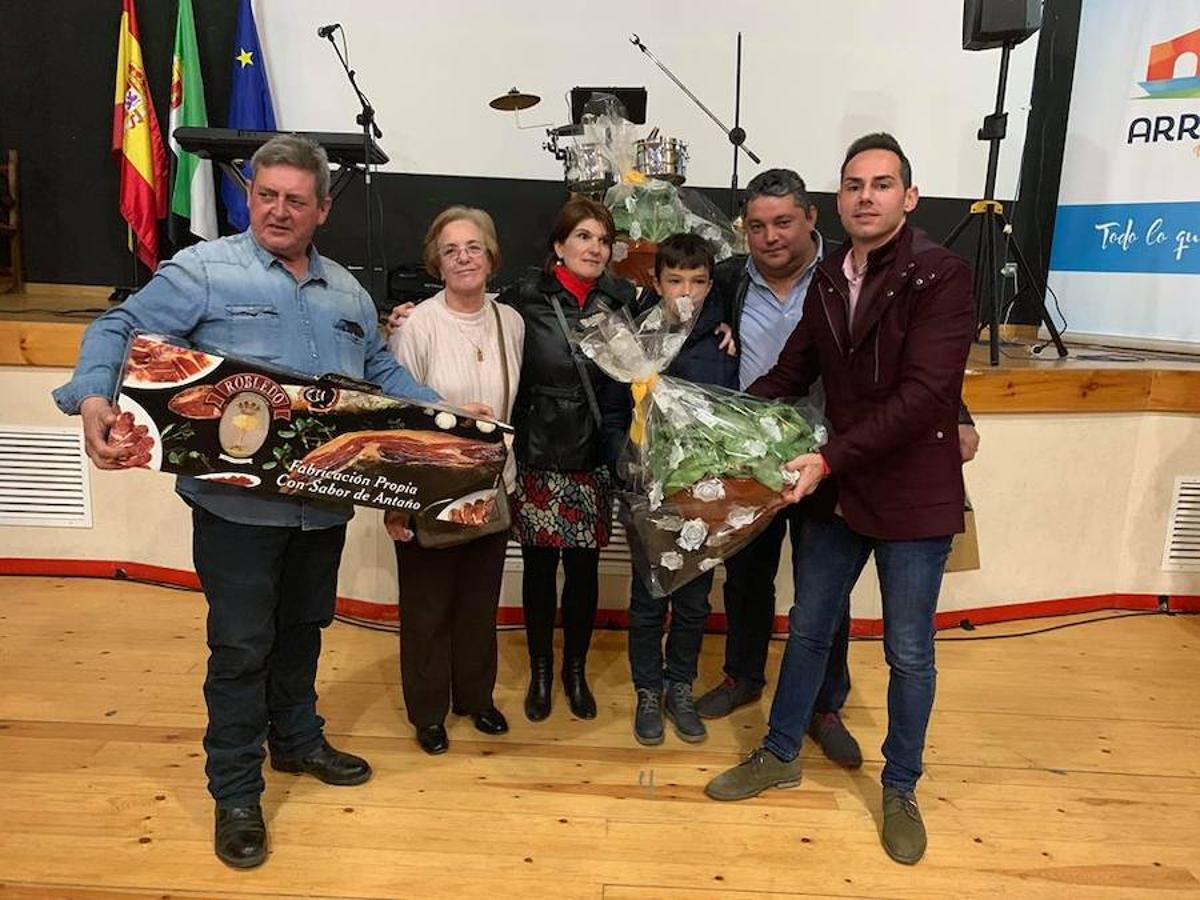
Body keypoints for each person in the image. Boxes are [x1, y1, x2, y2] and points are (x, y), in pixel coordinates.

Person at [51, 134, 444, 870]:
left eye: (297, 199)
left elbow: (383, 372)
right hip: (235, 510)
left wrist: (451, 416)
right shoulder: (205, 269)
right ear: (250, 196)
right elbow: (118, 325)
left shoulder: (349, 293)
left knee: (304, 629)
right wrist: (93, 396)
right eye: (267, 195)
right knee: (239, 648)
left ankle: (295, 742)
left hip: (321, 502)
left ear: (323, 208)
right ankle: (235, 790)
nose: (279, 210)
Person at [704, 133, 977, 867]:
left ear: (908, 198)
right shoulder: (829, 281)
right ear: (839, 201)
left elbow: (926, 398)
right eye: (854, 184)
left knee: (908, 650)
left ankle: (901, 787)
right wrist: (706, 426)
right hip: (839, 489)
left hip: (911, 493)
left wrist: (826, 458)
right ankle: (780, 751)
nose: (866, 196)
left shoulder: (941, 274)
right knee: (811, 627)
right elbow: (790, 372)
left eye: (882, 184)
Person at [385, 206, 522, 756]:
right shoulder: (417, 324)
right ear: (436, 263)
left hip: (492, 486)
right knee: (427, 608)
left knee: (477, 603)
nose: (464, 257)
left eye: (473, 247)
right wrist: (393, 504)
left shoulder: (509, 321)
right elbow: (395, 413)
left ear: (490, 256)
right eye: (451, 250)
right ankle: (428, 711)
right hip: (427, 488)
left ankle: (475, 698)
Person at [501, 197, 635, 722]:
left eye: (602, 240)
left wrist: (721, 326)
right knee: (538, 569)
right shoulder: (523, 298)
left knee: (583, 572)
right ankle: (539, 672)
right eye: (583, 236)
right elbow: (472, 322)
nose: (594, 248)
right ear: (559, 245)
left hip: (594, 454)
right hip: (537, 450)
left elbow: (670, 327)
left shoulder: (622, 299)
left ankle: (574, 672)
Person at [607, 233, 740, 746]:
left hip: (703, 494)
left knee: (693, 603)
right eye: (675, 280)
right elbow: (616, 413)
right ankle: (647, 689)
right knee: (647, 599)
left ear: (712, 284)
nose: (687, 291)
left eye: (699, 281)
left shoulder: (725, 338)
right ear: (656, 282)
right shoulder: (633, 339)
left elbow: (731, 412)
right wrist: (627, 459)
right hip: (647, 489)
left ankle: (679, 686)